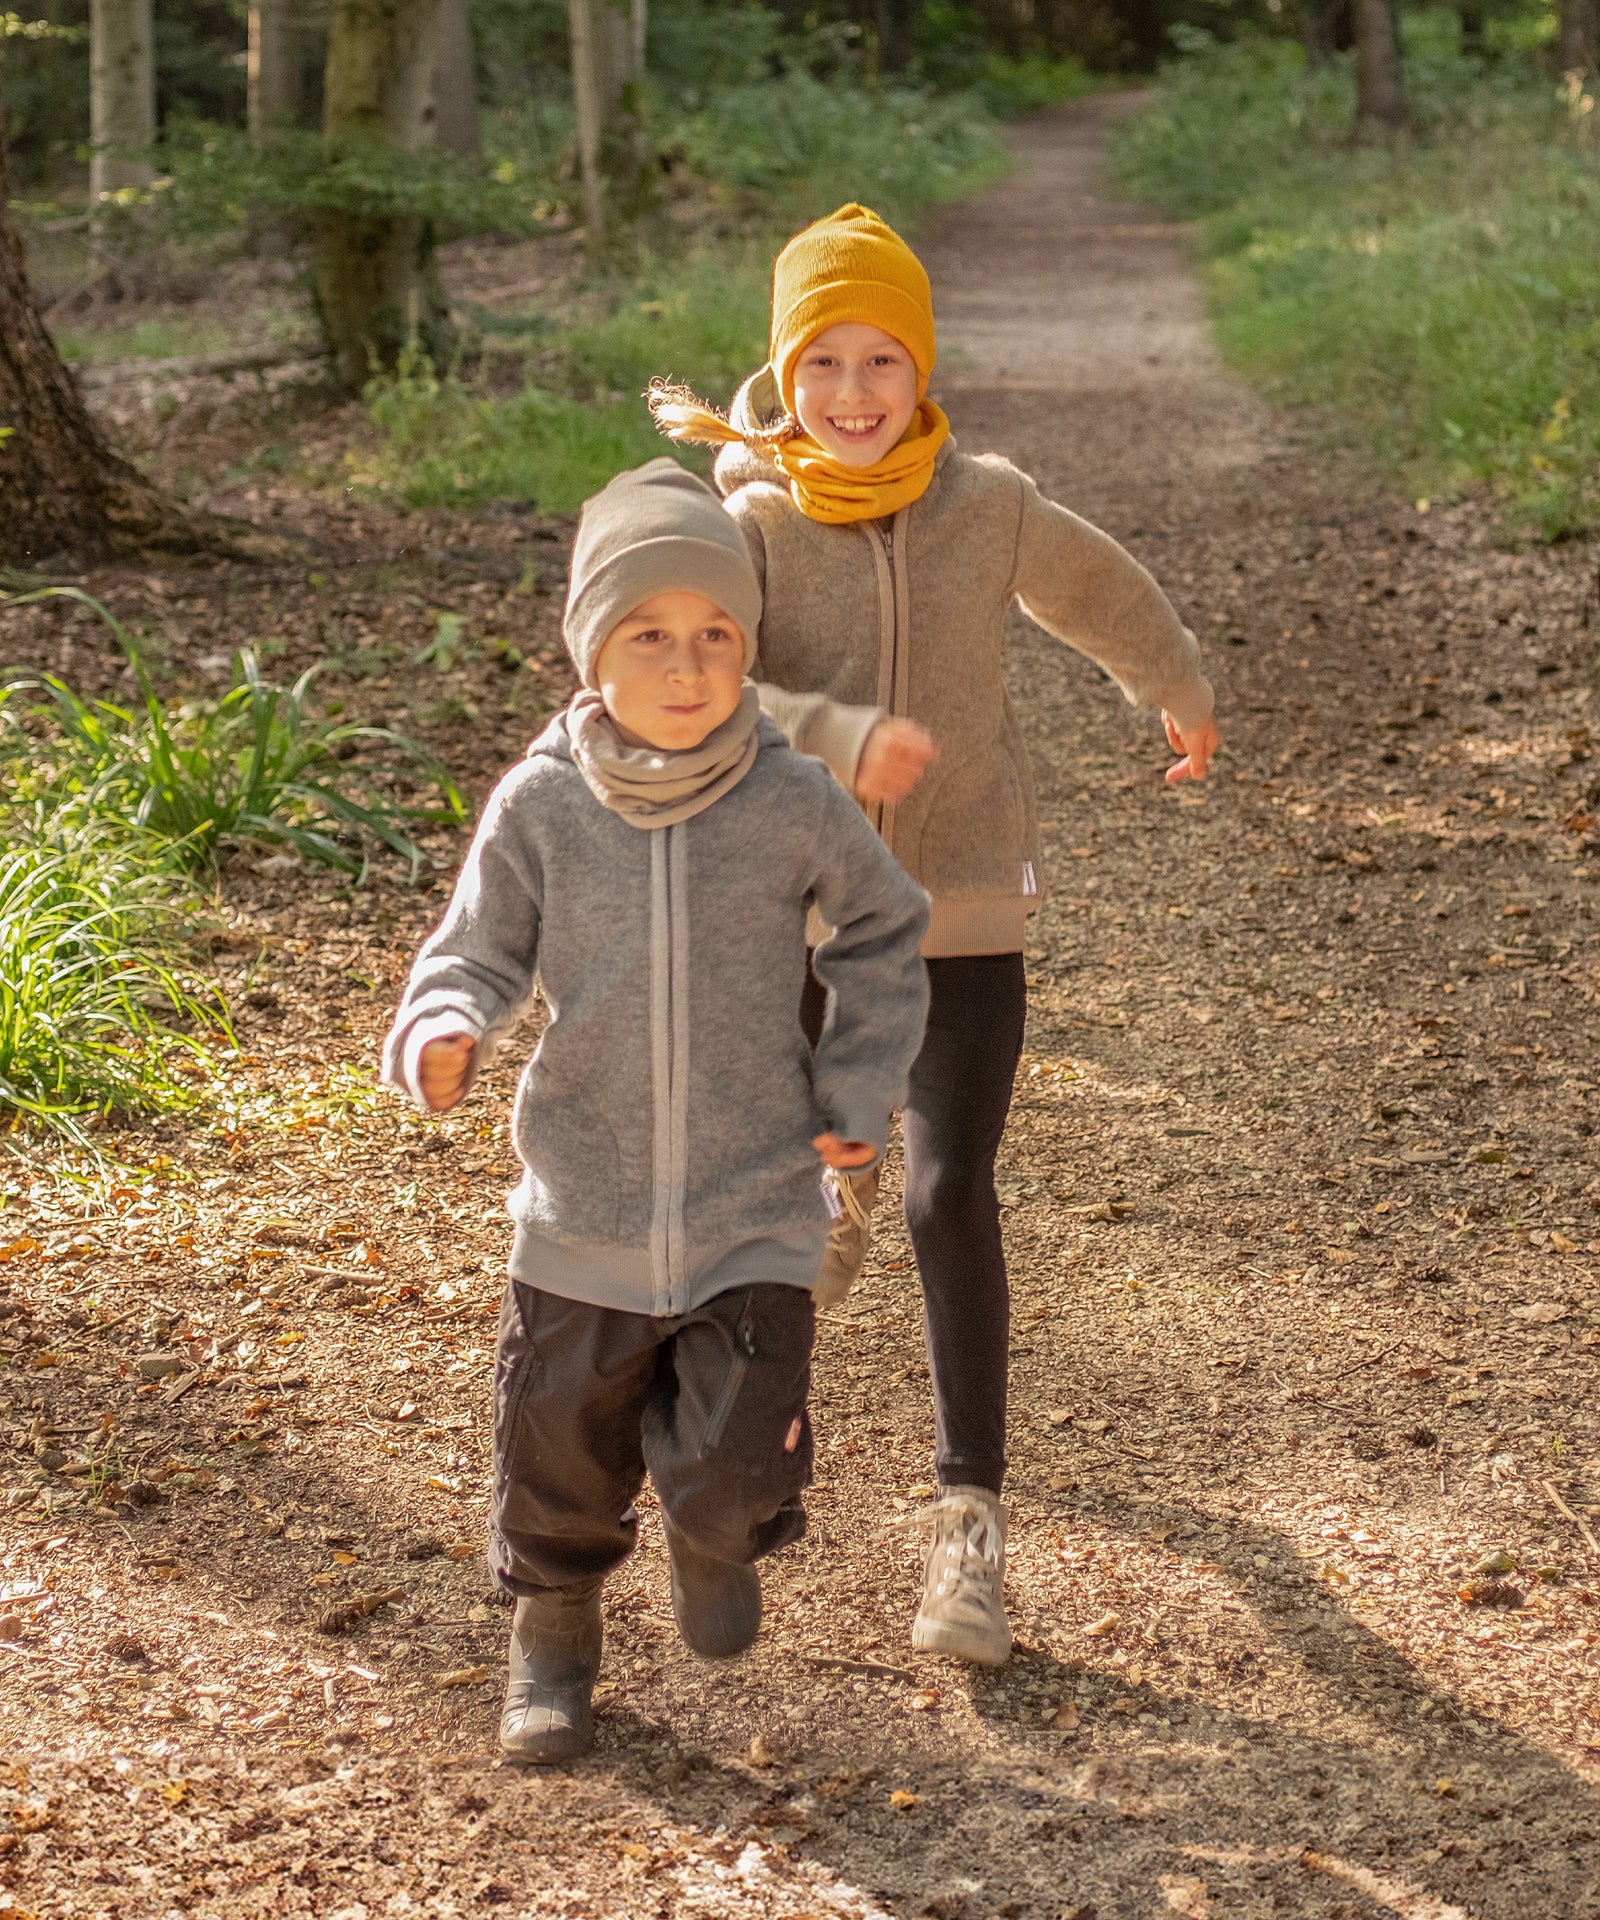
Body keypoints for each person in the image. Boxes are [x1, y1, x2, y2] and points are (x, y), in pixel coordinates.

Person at [650, 203, 1221, 1669]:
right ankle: (747, 1452)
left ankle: (970, 1524)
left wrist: (1175, 677)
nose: (853, 395)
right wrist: (831, 734)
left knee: (947, 1191)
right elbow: (684, 695)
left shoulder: (990, 501)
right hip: (785, 912)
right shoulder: (753, 525)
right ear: (784, 372)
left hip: (960, 905)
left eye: (882, 362)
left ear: (923, 367)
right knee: (785, 1201)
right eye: (823, 362)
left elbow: (1096, 587)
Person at [381, 460, 930, 1762]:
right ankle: (555, 1642)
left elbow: (883, 929)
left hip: (753, 1206)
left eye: (717, 636)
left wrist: (857, 1082)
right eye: (650, 635)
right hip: (584, 1203)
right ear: (592, 649)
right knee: (554, 1455)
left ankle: (713, 1526)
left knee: (742, 1458)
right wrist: (443, 1030)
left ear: (746, 649)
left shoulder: (792, 798)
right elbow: (471, 952)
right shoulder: (545, 807)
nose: (687, 667)